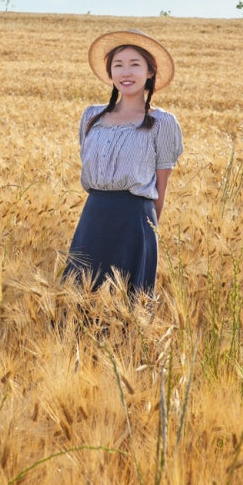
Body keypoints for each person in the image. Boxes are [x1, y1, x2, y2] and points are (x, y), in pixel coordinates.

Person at [63, 29, 183, 295]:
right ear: (110, 74)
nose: (125, 72)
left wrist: (148, 235)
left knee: (127, 308)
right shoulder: (91, 116)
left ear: (150, 72)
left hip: (135, 220)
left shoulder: (162, 122)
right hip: (93, 216)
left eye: (134, 65)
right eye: (118, 65)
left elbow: (161, 187)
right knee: (76, 301)